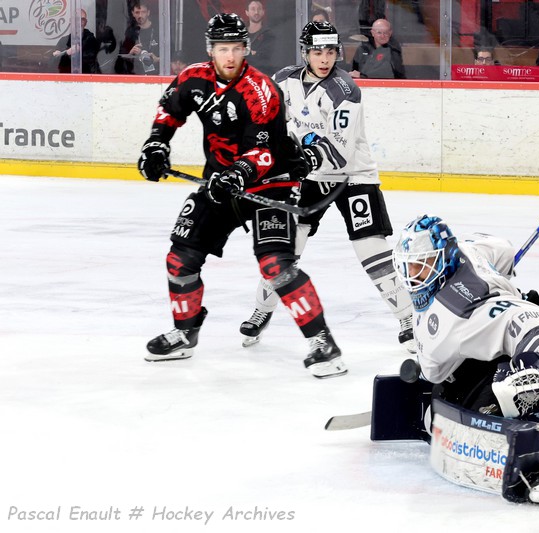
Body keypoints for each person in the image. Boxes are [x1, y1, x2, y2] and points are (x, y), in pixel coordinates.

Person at [137, 13, 346, 379]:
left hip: (272, 182)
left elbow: (262, 154)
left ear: (246, 49)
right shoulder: (194, 78)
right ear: (210, 50)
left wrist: (236, 174)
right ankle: (185, 333)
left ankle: (323, 343)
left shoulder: (260, 91)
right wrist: (156, 144)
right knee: (180, 259)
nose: (230, 56)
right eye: (222, 49)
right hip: (221, 184)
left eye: (236, 48)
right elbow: (169, 110)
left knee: (276, 266)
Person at [391, 215, 539, 501]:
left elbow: (432, 372)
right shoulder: (469, 250)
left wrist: (538, 374)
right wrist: (503, 282)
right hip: (485, 351)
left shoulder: (452, 313)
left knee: (512, 386)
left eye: (421, 265)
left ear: (445, 259)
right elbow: (504, 249)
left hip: (518, 357)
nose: (412, 276)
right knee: (444, 404)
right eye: (409, 266)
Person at [242, 21, 415, 355]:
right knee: (284, 250)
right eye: (317, 52)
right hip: (310, 179)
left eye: (331, 51)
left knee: (372, 251)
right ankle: (261, 310)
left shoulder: (345, 89)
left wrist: (301, 157)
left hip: (353, 177)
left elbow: (339, 149)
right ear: (305, 52)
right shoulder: (284, 80)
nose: (324, 59)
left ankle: (408, 318)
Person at [116, 1, 160, 74]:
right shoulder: (130, 31)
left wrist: (157, 59)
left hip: (157, 75)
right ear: (133, 13)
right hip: (137, 75)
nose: (140, 15)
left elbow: (171, 57)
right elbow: (122, 57)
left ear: (148, 13)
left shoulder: (158, 29)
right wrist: (130, 54)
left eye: (143, 12)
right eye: (137, 12)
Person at [52, 9, 100, 73]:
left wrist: (63, 54)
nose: (79, 23)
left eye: (82, 20)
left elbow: (88, 60)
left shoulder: (91, 40)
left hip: (87, 77)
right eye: (76, 19)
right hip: (66, 77)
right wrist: (67, 53)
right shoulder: (64, 40)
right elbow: (52, 63)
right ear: (71, 21)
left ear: (85, 23)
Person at [245, 0, 279, 76]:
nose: (256, 12)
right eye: (253, 9)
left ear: (263, 12)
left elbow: (267, 59)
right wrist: (253, 53)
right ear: (247, 12)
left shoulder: (270, 34)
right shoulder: (241, 33)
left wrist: (247, 53)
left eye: (259, 9)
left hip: (263, 76)